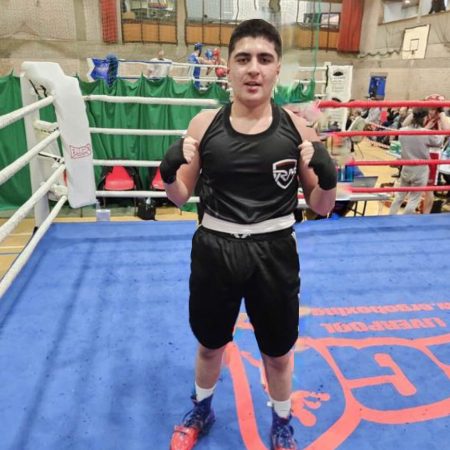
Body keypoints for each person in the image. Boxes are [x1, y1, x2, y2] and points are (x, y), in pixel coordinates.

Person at [160, 19, 337, 450]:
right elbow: (180, 196)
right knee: (209, 345)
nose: (253, 69)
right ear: (228, 67)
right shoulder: (204, 125)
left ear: (277, 69)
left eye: (264, 59)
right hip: (214, 249)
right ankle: (201, 408)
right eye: (243, 59)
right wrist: (166, 174)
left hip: (274, 251)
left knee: (277, 352)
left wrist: (329, 181)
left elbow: (321, 207)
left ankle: (281, 420)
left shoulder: (297, 129)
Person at [389, 108, 443, 215]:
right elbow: (439, 142)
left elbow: (405, 126)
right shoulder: (426, 133)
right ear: (424, 118)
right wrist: (439, 126)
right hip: (420, 168)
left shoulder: (402, 131)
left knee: (400, 196)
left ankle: (390, 217)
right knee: (414, 198)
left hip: (406, 167)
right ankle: (405, 221)